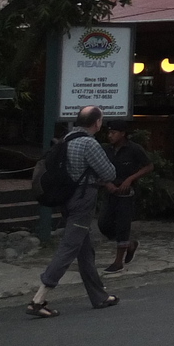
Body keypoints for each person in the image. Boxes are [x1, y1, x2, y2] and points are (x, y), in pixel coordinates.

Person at [28, 106, 120, 317]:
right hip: (82, 201)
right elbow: (109, 173)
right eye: (101, 121)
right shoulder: (89, 143)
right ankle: (39, 298)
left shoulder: (67, 139)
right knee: (70, 247)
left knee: (85, 249)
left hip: (66, 199)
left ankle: (99, 296)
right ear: (96, 122)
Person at [101, 120, 151, 272]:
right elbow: (98, 168)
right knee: (104, 224)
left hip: (126, 193)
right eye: (109, 132)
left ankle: (118, 261)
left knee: (123, 225)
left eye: (114, 133)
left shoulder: (134, 149)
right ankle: (129, 244)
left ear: (123, 134)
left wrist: (130, 179)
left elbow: (149, 166)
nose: (110, 136)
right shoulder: (106, 150)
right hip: (111, 190)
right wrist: (106, 183)